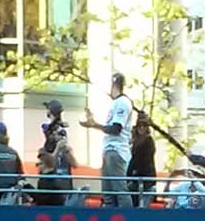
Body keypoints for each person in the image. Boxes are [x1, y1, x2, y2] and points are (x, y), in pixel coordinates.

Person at [79, 72, 134, 207]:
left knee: (119, 190)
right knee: (108, 192)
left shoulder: (122, 102)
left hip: (115, 150)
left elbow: (116, 128)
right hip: (109, 150)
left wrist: (94, 125)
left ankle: (128, 220)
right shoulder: (117, 102)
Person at [37, 101, 76, 206]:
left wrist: (64, 149)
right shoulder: (47, 145)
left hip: (60, 185)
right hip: (52, 185)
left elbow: (75, 164)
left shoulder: (63, 144)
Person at [127, 111, 158, 205]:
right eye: (139, 126)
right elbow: (133, 161)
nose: (141, 128)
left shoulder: (148, 141)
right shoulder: (135, 142)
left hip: (146, 179)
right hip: (137, 179)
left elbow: (144, 161)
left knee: (143, 206)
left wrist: (134, 174)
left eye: (144, 126)